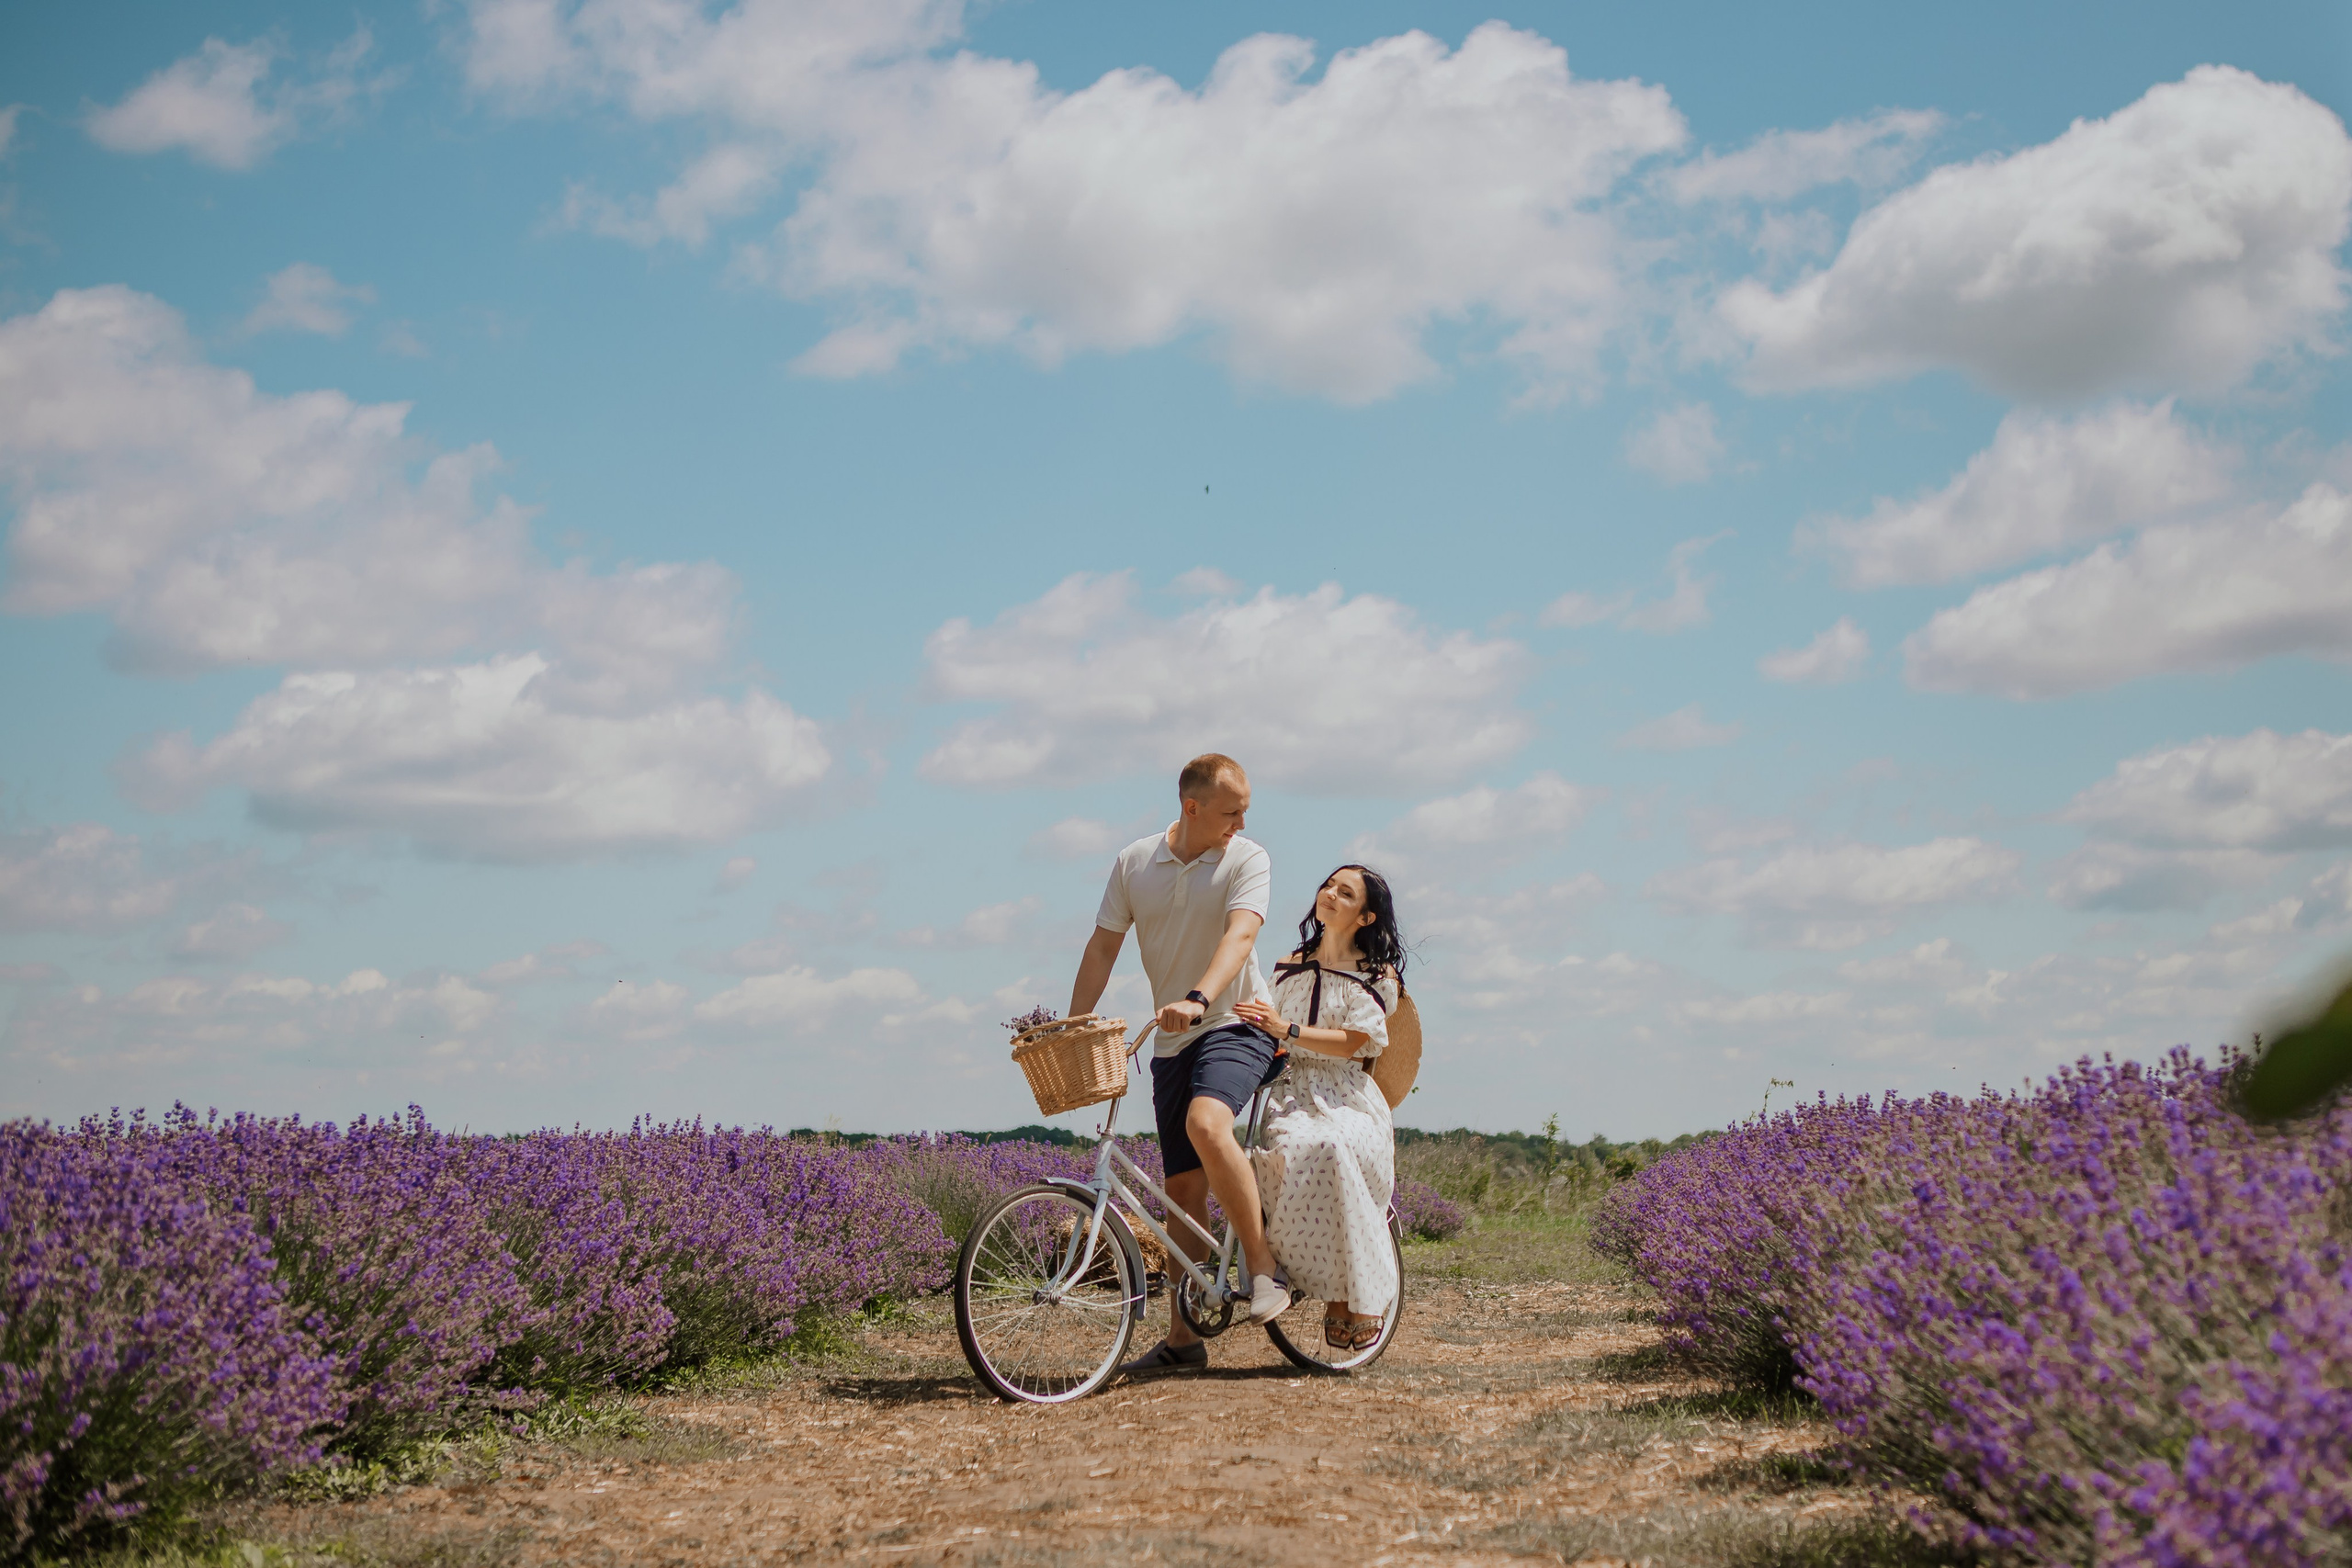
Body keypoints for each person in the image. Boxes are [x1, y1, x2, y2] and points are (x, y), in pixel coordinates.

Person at [1067, 752, 1288, 1374]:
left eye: (1245, 809)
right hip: (1172, 1040)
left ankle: (1264, 1269)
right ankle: (1183, 1336)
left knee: (1208, 1123)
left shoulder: (1247, 857)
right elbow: (1104, 944)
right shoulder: (1136, 863)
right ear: (1192, 808)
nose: (1241, 821)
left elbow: (1239, 937)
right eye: (1230, 811)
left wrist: (1197, 997)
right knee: (1183, 1190)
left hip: (1235, 1021)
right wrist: (1073, 1023)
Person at [1233, 863, 1404, 1351]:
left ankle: (1349, 1293)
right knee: (1299, 1148)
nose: (1329, 894)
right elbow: (1258, 1024)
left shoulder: (1374, 976)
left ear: (1365, 917)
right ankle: (1325, 1283)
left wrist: (1284, 1029)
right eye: (1328, 885)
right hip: (1291, 1091)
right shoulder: (1287, 967)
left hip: (1348, 1094)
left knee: (1334, 1143)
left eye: (1344, 892)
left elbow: (1354, 1043)